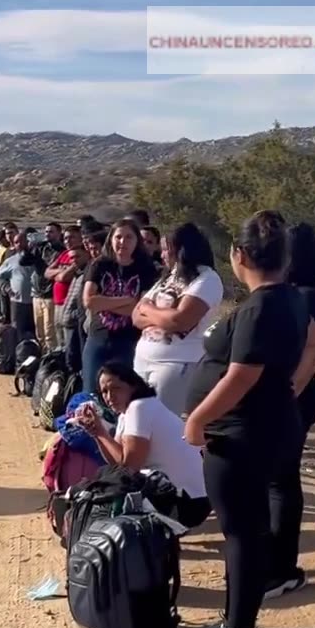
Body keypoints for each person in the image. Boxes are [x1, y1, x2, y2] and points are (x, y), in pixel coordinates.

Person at [183, 210, 308, 628]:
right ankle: (237, 622)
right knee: (248, 530)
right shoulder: (289, 299)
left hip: (242, 434)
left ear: (238, 255)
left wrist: (196, 419)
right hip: (266, 426)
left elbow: (240, 377)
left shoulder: (260, 307)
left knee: (241, 533)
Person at [269, 222, 315, 600]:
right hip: (278, 394)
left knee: (282, 479)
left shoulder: (313, 295)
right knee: (273, 479)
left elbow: (313, 351)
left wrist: (288, 393)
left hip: (296, 395)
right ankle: (274, 560)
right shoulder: (287, 291)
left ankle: (284, 570)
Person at [77, 361, 211, 529]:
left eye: (116, 388)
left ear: (133, 385)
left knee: (116, 490)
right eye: (104, 391)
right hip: (185, 498)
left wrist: (102, 433)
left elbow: (129, 467)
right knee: (107, 476)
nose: (109, 397)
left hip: (187, 504)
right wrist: (97, 433)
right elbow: (116, 465)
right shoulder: (127, 413)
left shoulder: (140, 407)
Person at [131, 223, 223, 416]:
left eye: (166, 250)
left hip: (175, 366)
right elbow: (136, 316)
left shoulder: (206, 279)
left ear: (180, 250)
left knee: (162, 425)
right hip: (143, 361)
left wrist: (149, 309)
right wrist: (161, 315)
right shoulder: (168, 277)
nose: (162, 255)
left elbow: (180, 321)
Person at [80, 219, 157, 397]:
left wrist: (105, 303)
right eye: (118, 237)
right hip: (98, 338)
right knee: (91, 393)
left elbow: (141, 309)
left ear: (137, 241)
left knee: (124, 394)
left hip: (128, 342)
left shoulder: (146, 268)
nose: (123, 242)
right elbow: (89, 302)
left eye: (129, 237)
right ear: (111, 240)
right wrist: (128, 300)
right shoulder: (99, 265)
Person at [61, 225, 106, 372]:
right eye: (91, 248)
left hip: (95, 327)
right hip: (80, 322)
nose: (94, 252)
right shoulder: (86, 269)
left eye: (96, 248)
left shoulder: (104, 270)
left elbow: (90, 301)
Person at [44, 225, 89, 351]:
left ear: (81, 238)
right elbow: (47, 272)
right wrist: (60, 272)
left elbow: (63, 277)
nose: (67, 241)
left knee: (70, 344)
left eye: (72, 238)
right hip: (57, 303)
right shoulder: (64, 254)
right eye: (65, 238)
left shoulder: (81, 255)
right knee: (59, 340)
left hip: (70, 305)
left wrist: (59, 273)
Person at [0, 227, 37, 338]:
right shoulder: (11, 260)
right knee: (17, 331)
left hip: (36, 302)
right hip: (18, 302)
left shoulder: (38, 258)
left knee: (37, 332)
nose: (19, 244)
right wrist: (7, 288)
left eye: (21, 241)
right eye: (16, 242)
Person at [31, 222, 65, 350]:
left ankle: (51, 358)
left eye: (51, 232)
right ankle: (42, 358)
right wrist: (30, 248)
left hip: (50, 295)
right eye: (46, 232)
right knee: (39, 332)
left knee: (50, 332)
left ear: (58, 233)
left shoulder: (62, 251)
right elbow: (26, 261)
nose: (48, 234)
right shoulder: (40, 248)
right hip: (37, 293)